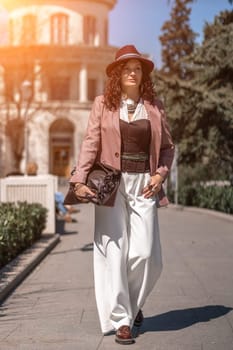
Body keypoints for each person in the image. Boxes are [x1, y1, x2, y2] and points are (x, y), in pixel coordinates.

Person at [70, 45, 175, 345]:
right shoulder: (103, 103)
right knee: (113, 253)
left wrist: (159, 175)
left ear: (144, 74)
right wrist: (79, 180)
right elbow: (91, 143)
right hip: (111, 184)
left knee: (147, 253)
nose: (132, 71)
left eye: (138, 67)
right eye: (126, 67)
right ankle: (121, 320)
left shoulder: (155, 106)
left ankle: (130, 303)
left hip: (145, 183)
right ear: (117, 73)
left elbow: (167, 147)